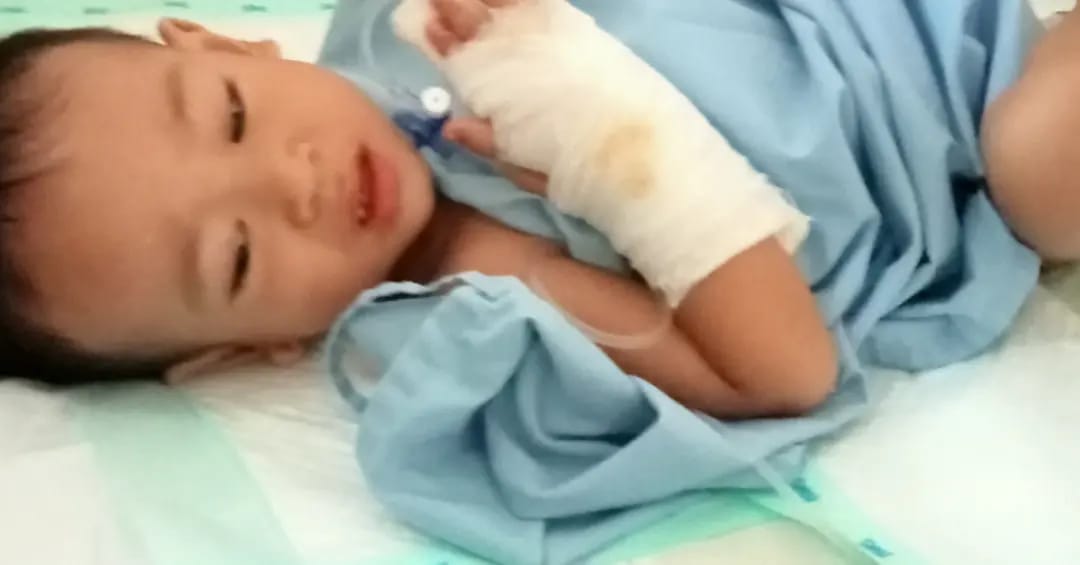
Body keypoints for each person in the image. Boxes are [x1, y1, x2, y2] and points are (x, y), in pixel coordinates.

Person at [0, 0, 1064, 420]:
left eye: (232, 115)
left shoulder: (409, 17)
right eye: (236, 255)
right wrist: (622, 151)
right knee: (1041, 166)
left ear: (221, 41)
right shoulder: (481, 294)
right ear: (244, 349)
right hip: (977, 133)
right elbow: (786, 373)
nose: (296, 182)